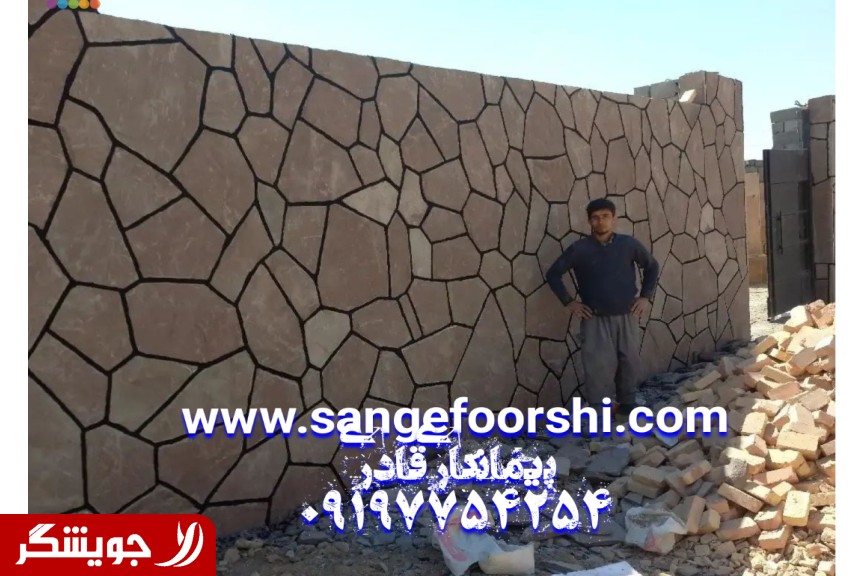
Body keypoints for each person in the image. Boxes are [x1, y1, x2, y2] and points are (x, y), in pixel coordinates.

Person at [545, 197, 660, 417]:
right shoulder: (579, 249)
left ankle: (627, 404)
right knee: (598, 367)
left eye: (605, 216)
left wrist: (646, 297)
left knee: (629, 361)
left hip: (627, 314)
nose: (601, 221)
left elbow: (652, 267)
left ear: (614, 218)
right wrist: (569, 302)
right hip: (594, 318)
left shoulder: (628, 245)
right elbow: (553, 274)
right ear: (589, 221)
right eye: (595, 217)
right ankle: (600, 410)